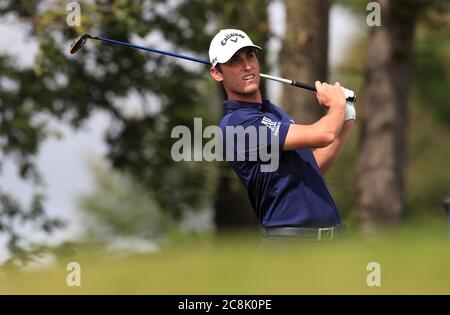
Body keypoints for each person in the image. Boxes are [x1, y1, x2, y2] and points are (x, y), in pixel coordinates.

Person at [208, 29, 355, 246]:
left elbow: (314, 167)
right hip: (290, 247)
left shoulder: (272, 112)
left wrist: (347, 116)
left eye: (250, 55)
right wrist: (337, 106)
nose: (247, 66)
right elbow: (323, 134)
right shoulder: (236, 124)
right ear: (217, 73)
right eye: (234, 61)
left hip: (328, 244)